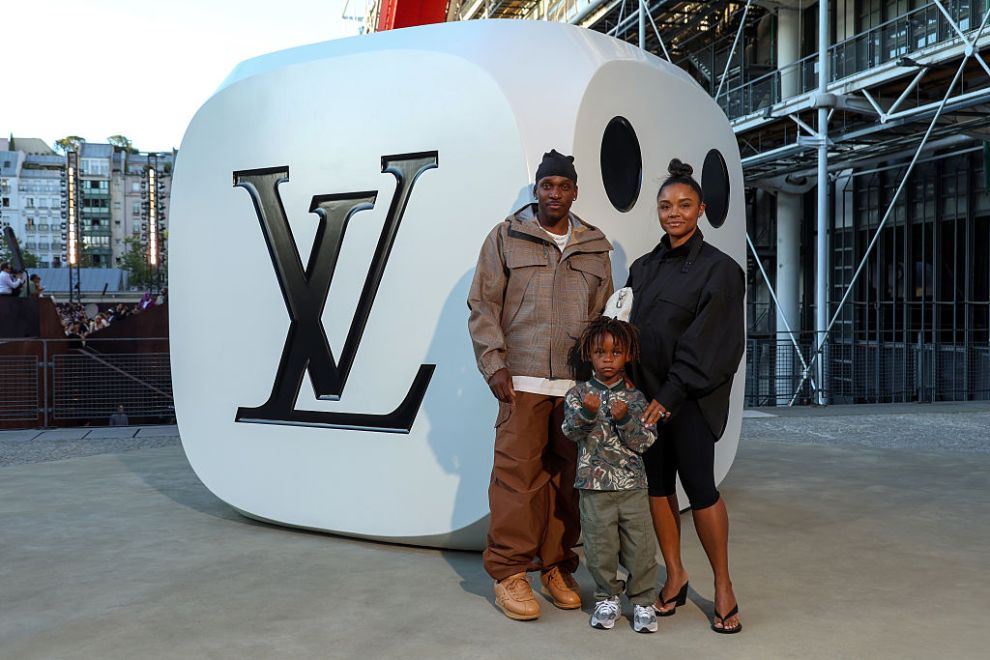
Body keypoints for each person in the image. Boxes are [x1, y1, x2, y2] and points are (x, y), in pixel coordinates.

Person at [468, 149, 614, 621]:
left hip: (575, 387)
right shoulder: (506, 237)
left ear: (575, 191)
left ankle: (556, 566)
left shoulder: (594, 245)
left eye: (564, 186)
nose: (555, 193)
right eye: (547, 185)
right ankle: (509, 574)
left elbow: (604, 315)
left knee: (566, 482)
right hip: (523, 381)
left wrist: (600, 381)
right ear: (537, 189)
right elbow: (483, 304)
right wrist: (494, 365)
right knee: (516, 481)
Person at [626, 158, 746, 634]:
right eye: (665, 205)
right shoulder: (643, 267)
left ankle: (722, 584)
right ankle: (674, 574)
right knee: (657, 488)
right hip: (646, 399)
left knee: (699, 489)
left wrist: (671, 393)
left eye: (683, 205)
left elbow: (710, 341)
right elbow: (631, 333)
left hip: (690, 399)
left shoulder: (721, 270)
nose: (673, 213)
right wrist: (630, 387)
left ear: (701, 209)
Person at [561, 317, 657, 633]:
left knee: (640, 547)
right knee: (599, 547)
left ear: (627, 355)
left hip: (633, 486)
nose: (607, 359)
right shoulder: (577, 394)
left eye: (615, 352)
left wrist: (626, 418)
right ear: (589, 354)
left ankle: (643, 602)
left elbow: (645, 442)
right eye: (600, 352)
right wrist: (587, 413)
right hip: (594, 486)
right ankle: (607, 598)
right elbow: (571, 433)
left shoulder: (636, 397)